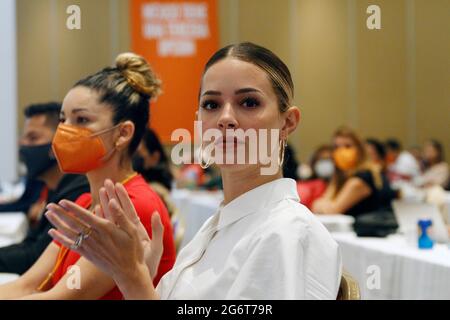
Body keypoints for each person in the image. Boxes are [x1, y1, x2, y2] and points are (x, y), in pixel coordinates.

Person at [46, 42, 342, 300]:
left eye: (248, 102)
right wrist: (137, 279)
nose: (226, 118)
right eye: (212, 104)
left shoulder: (286, 234)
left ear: (288, 122)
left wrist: (133, 281)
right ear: (199, 120)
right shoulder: (220, 225)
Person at [0, 53, 176, 299]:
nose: (64, 130)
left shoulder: (132, 208)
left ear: (123, 133)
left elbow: (63, 298)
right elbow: (28, 285)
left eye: (81, 120)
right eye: (64, 119)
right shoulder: (85, 202)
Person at [0, 103, 90, 274]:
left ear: (59, 143)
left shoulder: (77, 192)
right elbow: (32, 243)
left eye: (33, 138)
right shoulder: (56, 186)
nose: (23, 146)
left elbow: (35, 257)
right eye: (23, 138)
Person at [313, 127, 396, 216]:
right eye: (336, 147)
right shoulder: (339, 177)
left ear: (359, 150)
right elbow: (316, 206)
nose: (342, 151)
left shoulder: (363, 177)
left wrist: (322, 205)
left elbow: (332, 211)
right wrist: (322, 205)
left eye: (348, 146)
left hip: (372, 229)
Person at [133, 128, 173, 192]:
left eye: (140, 153)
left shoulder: (161, 179)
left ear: (155, 157)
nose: (138, 158)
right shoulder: (137, 171)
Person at [297, 145, 333, 209]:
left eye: (329, 160)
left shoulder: (341, 185)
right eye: (322, 160)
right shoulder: (305, 186)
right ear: (314, 163)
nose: (325, 164)